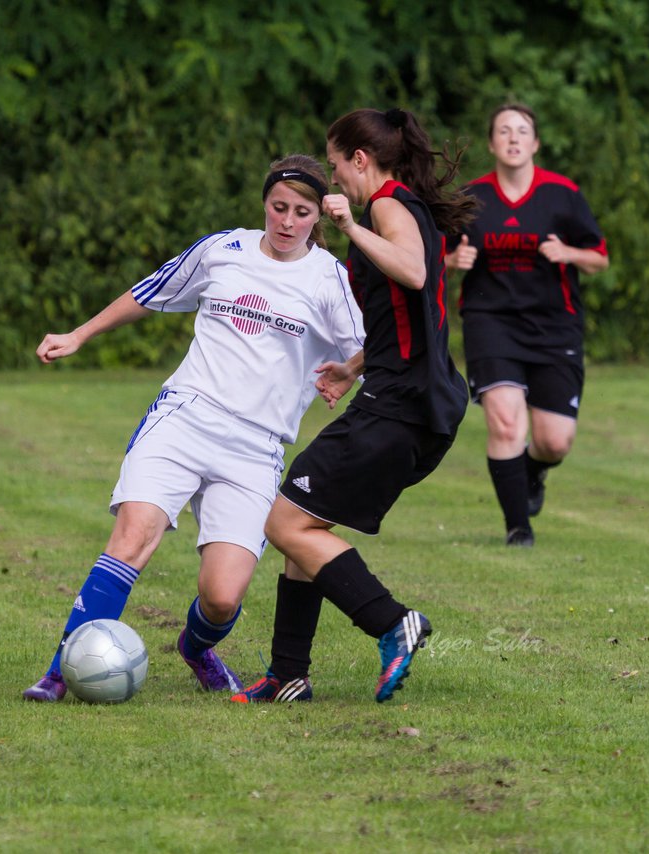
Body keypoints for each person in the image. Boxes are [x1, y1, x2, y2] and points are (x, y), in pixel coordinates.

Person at [23, 154, 368, 702]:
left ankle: (197, 646)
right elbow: (150, 291)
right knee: (134, 535)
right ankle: (60, 671)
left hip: (257, 447)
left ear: (316, 218)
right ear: (264, 204)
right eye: (278, 207)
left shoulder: (329, 278)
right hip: (186, 416)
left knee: (223, 598)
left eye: (301, 212)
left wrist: (347, 374)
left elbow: (371, 346)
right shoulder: (222, 250)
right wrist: (80, 334)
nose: (286, 221)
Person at [232, 108, 476, 705]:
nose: (335, 180)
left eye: (337, 166)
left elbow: (416, 273)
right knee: (305, 520)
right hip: (411, 402)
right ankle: (288, 672)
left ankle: (392, 623)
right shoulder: (400, 209)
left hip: (397, 408)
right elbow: (406, 316)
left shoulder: (388, 205)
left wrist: (351, 228)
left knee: (284, 523)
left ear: (359, 160)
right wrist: (352, 364)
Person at [444, 104, 609, 547]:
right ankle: (519, 528)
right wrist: (451, 260)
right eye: (503, 131)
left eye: (522, 131)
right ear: (492, 143)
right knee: (505, 424)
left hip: (555, 327)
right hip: (491, 322)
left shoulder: (563, 194)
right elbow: (429, 258)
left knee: (554, 441)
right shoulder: (471, 198)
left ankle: (533, 471)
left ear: (535, 143)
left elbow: (599, 258)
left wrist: (569, 254)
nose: (513, 138)